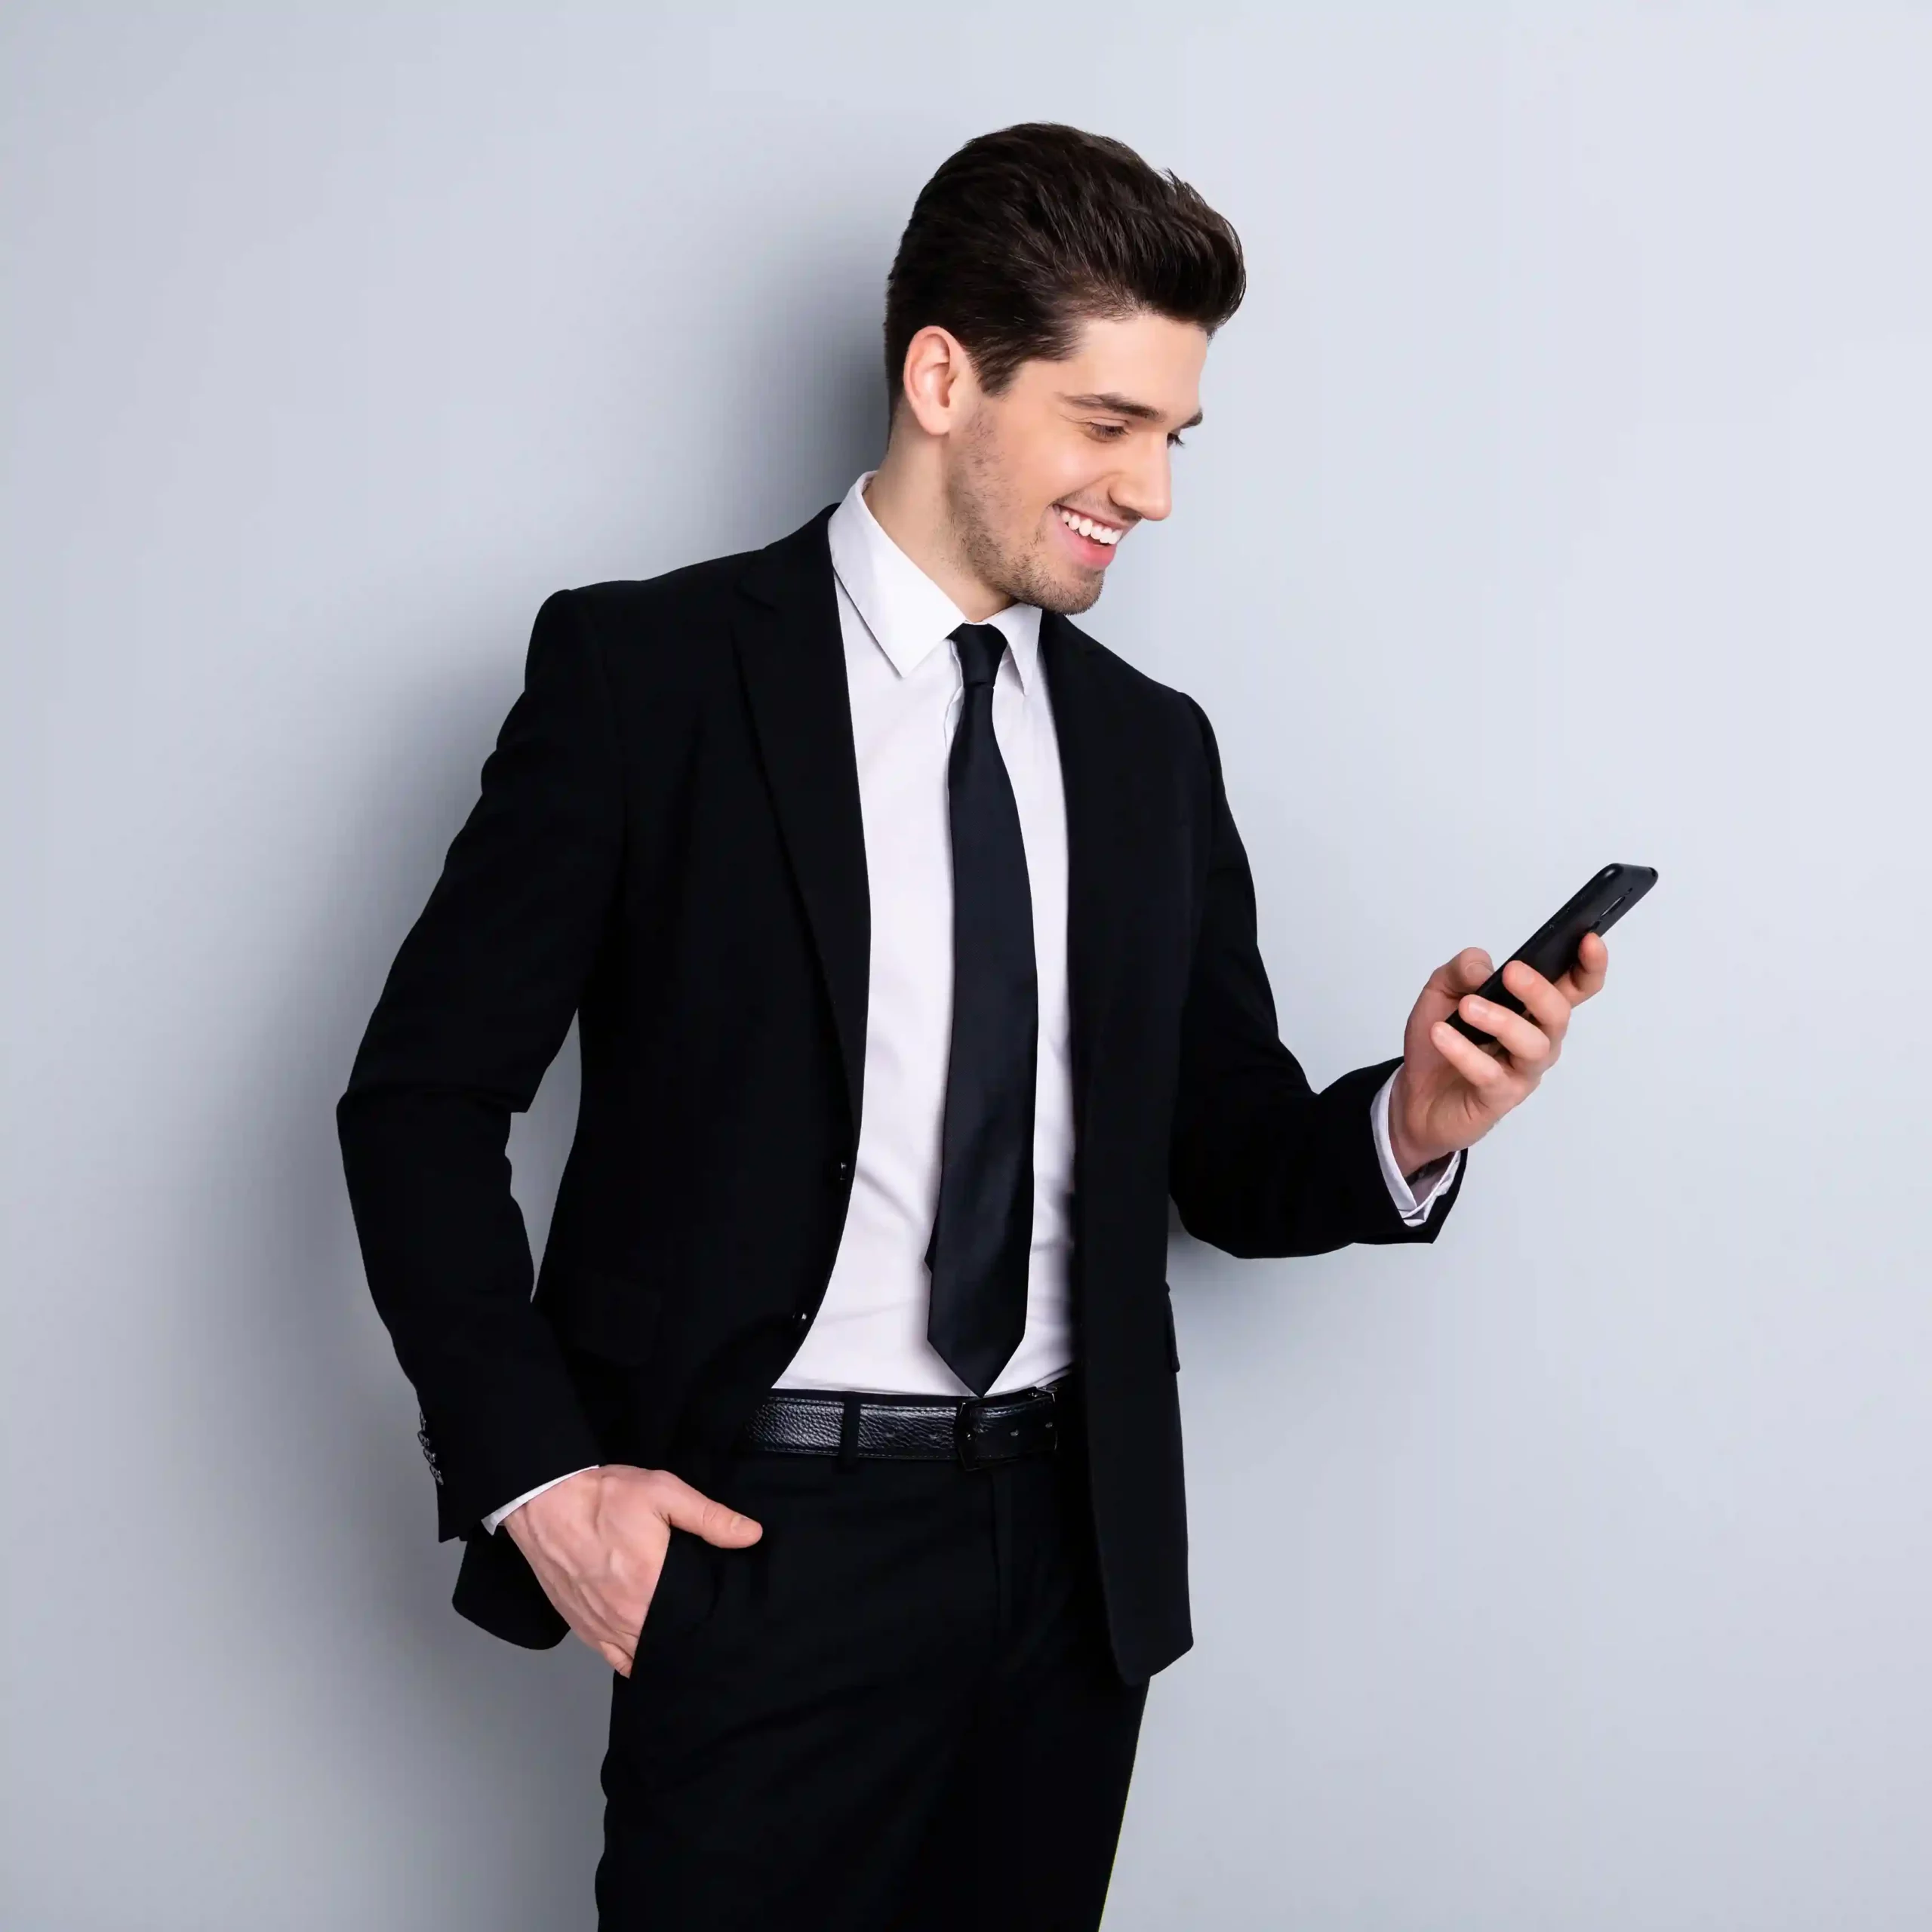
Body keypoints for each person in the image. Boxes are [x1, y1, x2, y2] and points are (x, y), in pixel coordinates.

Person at [336, 121, 1611, 1932]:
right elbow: (420, 1100)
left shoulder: (1147, 748)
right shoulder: (649, 679)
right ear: (941, 375)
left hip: (1066, 1563)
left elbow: (1225, 1153)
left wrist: (1409, 1116)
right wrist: (538, 1478)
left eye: (1173, 437)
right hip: (764, 1546)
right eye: (1108, 426)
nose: (1152, 492)